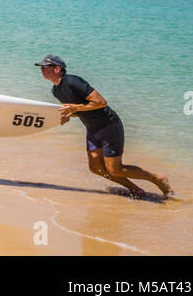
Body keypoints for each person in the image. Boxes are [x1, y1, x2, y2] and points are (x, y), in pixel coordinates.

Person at [36, 54, 173, 200]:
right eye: (41, 67)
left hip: (109, 126)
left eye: (45, 67)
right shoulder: (55, 90)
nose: (42, 70)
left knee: (115, 169)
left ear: (57, 69)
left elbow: (100, 102)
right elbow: (78, 110)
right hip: (92, 129)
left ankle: (157, 178)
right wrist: (68, 114)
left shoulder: (72, 81)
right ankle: (135, 190)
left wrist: (75, 108)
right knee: (96, 168)